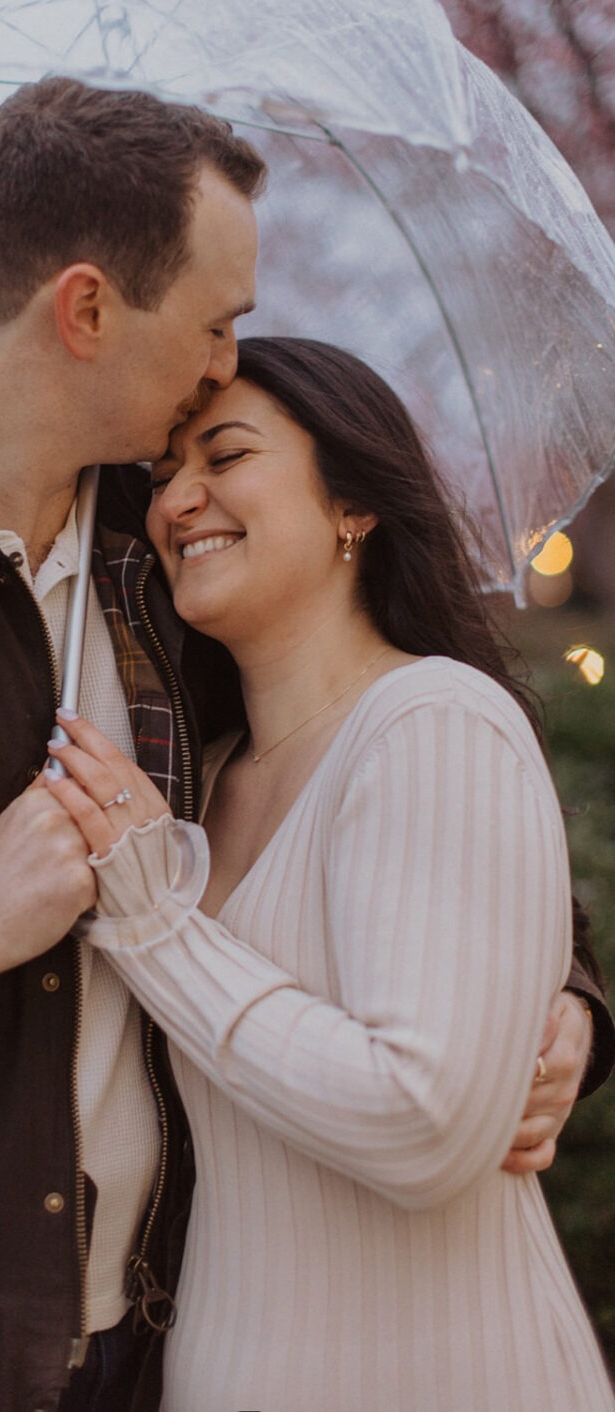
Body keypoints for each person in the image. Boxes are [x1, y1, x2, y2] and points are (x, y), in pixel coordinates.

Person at [0, 81, 606, 1412]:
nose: (223, 362)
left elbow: (404, 806)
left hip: (162, 1341)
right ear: (86, 310)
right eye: (214, 322)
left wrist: (572, 1010)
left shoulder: (179, 564)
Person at [44, 335, 615, 1411]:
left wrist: (153, 918)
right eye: (163, 476)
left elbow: (422, 1120)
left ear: (351, 500)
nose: (180, 502)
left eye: (226, 455)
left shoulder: (433, 723)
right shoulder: (195, 780)